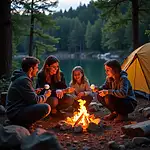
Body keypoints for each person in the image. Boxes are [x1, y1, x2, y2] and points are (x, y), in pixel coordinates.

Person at [6, 56, 51, 129]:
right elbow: (35, 101)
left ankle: (24, 123)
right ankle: (23, 124)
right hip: (15, 113)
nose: (37, 70)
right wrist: (46, 95)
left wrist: (34, 91)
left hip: (16, 110)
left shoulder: (22, 77)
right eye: (36, 67)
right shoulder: (24, 80)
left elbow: (23, 96)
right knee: (46, 108)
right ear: (31, 69)